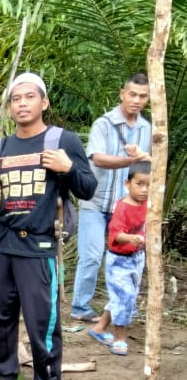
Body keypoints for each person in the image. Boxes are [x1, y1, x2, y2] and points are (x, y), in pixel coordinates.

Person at [0, 72, 96, 380]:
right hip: (3, 243)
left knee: (42, 320)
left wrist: (68, 167)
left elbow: (88, 188)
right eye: (16, 99)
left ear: (44, 102)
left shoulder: (62, 140)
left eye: (29, 97)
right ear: (10, 107)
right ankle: (6, 377)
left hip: (39, 246)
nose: (22, 104)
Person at [70, 73, 151, 321]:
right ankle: (80, 307)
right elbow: (97, 158)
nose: (136, 100)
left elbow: (147, 166)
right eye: (132, 94)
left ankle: (122, 305)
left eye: (143, 96)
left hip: (126, 207)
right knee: (92, 256)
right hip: (95, 202)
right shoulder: (103, 124)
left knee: (129, 255)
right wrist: (131, 160)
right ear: (122, 94)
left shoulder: (147, 129)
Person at [88, 163, 150, 357]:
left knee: (124, 296)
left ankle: (99, 327)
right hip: (119, 261)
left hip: (137, 258)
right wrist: (131, 238)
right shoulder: (122, 207)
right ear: (127, 183)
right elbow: (116, 234)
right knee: (124, 297)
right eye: (139, 184)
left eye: (149, 185)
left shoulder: (148, 205)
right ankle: (119, 338)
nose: (144, 190)